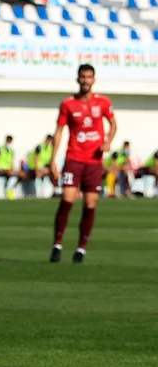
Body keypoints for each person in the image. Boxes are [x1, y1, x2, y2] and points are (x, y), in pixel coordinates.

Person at [49, 64, 116, 264]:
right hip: (73, 159)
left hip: (94, 163)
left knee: (90, 204)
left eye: (89, 77)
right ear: (78, 79)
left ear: (93, 79)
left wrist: (108, 141)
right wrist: (53, 160)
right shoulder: (68, 104)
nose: (85, 80)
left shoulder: (103, 102)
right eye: (82, 77)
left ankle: (81, 249)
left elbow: (113, 124)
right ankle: (57, 245)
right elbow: (59, 131)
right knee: (67, 200)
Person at [0, 135, 19, 199]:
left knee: (15, 176)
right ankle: (0, 193)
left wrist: (12, 169)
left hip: (6, 169)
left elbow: (11, 161)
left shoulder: (11, 150)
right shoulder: (0, 149)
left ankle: (8, 190)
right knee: (0, 179)